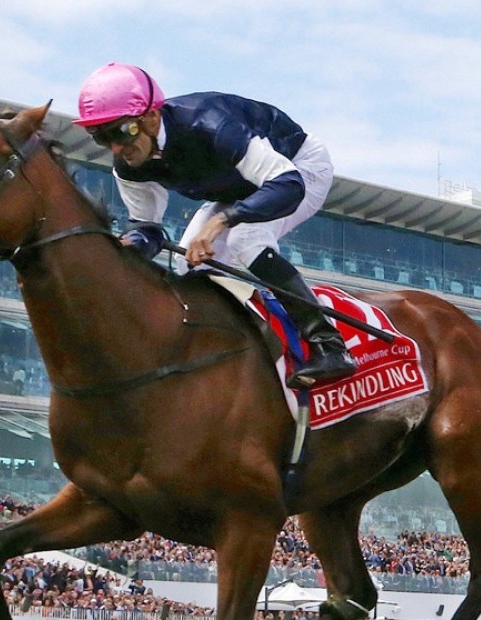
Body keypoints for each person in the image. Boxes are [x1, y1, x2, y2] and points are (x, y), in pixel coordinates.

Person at [72, 62, 357, 389]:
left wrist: (223, 220)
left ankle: (329, 344)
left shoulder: (209, 125)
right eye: (101, 137)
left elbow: (288, 185)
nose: (117, 148)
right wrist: (124, 249)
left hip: (298, 168)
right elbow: (148, 230)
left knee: (245, 239)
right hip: (238, 188)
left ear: (151, 117)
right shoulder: (129, 167)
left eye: (122, 131)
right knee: (187, 264)